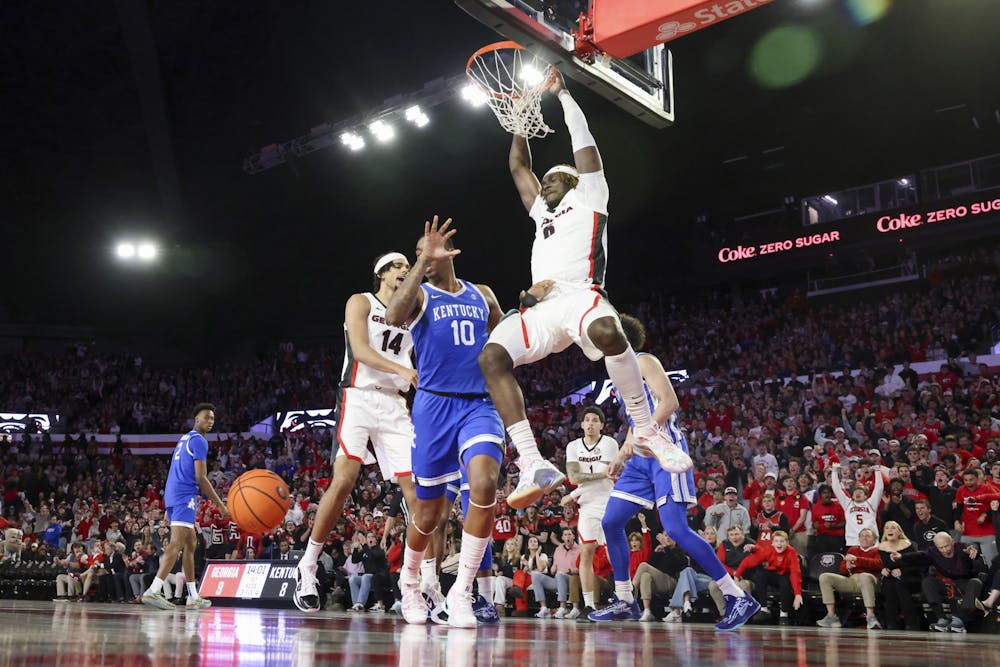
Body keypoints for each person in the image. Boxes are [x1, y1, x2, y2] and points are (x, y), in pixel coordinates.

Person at [477, 69, 691, 511]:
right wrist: (519, 119)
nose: (547, 184)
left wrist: (563, 96)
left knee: (611, 334)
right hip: (540, 308)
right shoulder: (541, 211)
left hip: (581, 295)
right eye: (547, 180)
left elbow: (584, 144)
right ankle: (532, 461)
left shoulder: (592, 195)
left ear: (572, 181)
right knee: (491, 357)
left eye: (555, 178)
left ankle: (645, 428)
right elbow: (519, 166)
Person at [586, 315, 758, 631]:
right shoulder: (619, 373)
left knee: (676, 529)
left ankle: (737, 596)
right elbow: (636, 420)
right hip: (639, 458)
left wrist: (642, 435)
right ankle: (625, 598)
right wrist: (624, 453)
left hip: (665, 450)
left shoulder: (644, 361)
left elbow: (669, 402)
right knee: (610, 521)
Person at [384, 217, 506, 628]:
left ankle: (462, 592)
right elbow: (392, 316)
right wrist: (421, 263)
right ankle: (410, 582)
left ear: (451, 253)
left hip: (479, 405)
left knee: (486, 483)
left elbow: (507, 336)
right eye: (418, 255)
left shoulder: (481, 294)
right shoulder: (419, 296)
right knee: (429, 514)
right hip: (434, 408)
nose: (425, 259)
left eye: (431, 252)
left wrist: (533, 308)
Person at [295, 252, 425, 614]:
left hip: (396, 405)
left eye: (407, 267)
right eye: (398, 267)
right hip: (359, 396)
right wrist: (408, 371)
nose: (404, 272)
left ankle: (419, 582)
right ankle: (307, 566)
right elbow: (362, 351)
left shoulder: (415, 310)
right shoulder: (361, 301)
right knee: (344, 480)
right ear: (381, 273)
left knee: (417, 492)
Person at [142, 403, 228, 611]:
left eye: (212, 419)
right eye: (206, 417)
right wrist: (220, 504)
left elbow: (176, 469)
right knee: (176, 544)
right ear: (196, 419)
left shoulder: (185, 438)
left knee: (191, 544)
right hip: (184, 496)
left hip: (173, 493)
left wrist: (168, 503)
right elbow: (201, 477)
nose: (210, 421)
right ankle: (153, 590)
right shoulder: (199, 441)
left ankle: (192, 596)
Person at [562, 406, 618, 618]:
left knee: (614, 555)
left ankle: (625, 598)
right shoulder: (573, 446)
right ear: (582, 424)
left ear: (602, 425)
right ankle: (588, 606)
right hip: (587, 506)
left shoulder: (610, 443)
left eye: (595, 420)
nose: (591, 423)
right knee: (586, 553)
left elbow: (608, 475)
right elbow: (574, 478)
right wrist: (577, 492)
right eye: (587, 420)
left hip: (608, 501)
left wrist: (573, 494)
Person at [892, 531, 987, 633]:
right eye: (941, 548)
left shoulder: (963, 548)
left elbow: (980, 566)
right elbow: (919, 556)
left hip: (966, 582)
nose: (945, 550)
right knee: (928, 582)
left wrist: (975, 555)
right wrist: (902, 556)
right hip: (948, 584)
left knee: (976, 582)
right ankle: (942, 619)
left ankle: (960, 620)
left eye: (947, 546)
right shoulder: (933, 552)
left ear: (952, 542)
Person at [815, 527, 883, 629]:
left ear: (874, 539)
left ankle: (870, 616)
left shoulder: (878, 550)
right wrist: (847, 567)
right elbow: (842, 570)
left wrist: (857, 560)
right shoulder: (853, 550)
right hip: (852, 580)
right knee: (825, 577)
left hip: (871, 581)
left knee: (864, 576)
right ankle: (831, 616)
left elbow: (878, 564)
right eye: (862, 536)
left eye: (868, 536)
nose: (864, 538)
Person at [734, 531, 803, 626]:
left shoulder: (791, 553)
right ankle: (764, 609)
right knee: (760, 575)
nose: (779, 544)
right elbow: (749, 561)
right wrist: (737, 575)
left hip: (785, 574)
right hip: (773, 574)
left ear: (787, 543)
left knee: (785, 584)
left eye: (782, 541)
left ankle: (784, 615)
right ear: (773, 543)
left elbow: (795, 573)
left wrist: (797, 594)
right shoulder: (768, 550)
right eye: (777, 541)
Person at [876, 521, 922, 631]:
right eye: (887, 528)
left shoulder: (907, 545)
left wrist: (902, 571)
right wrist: (884, 570)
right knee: (888, 586)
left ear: (899, 532)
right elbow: (882, 565)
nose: (889, 530)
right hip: (891, 579)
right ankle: (892, 623)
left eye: (893, 528)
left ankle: (911, 623)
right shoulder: (881, 547)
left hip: (911, 577)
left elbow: (917, 565)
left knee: (900, 585)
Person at [531, 528, 580, 618]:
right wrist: (553, 569)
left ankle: (562, 607)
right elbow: (554, 565)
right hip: (557, 579)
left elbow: (581, 569)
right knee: (535, 575)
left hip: (572, 580)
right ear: (562, 537)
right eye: (565, 535)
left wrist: (568, 570)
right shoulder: (558, 549)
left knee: (560, 574)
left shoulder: (579, 550)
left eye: (569, 534)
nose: (567, 537)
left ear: (573, 536)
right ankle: (543, 608)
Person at [831, 462, 883, 545]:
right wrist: (834, 471)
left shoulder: (871, 503)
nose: (857, 494)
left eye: (860, 492)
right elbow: (836, 488)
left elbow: (879, 489)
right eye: (856, 492)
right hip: (853, 541)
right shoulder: (848, 503)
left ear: (866, 496)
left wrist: (877, 471)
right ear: (852, 495)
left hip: (871, 541)